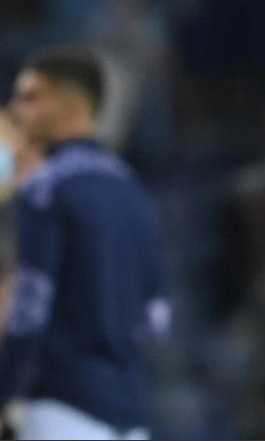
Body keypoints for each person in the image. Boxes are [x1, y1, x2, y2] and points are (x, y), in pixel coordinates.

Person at [0, 47, 169, 440]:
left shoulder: (47, 187)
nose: (16, 108)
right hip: (130, 411)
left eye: (29, 97)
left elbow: (30, 308)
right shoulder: (132, 189)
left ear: (70, 106)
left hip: (62, 406)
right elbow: (156, 317)